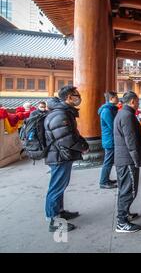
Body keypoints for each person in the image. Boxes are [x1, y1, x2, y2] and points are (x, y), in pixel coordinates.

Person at [44, 86, 89, 233]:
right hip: (59, 156)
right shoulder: (60, 115)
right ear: (69, 97)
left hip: (61, 155)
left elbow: (71, 134)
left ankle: (60, 211)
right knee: (56, 187)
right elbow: (66, 139)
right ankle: (54, 220)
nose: (78, 98)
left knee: (60, 186)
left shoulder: (63, 112)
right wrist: (82, 147)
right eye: (76, 95)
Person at [113, 91, 141, 233]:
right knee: (129, 190)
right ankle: (121, 222)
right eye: (137, 102)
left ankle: (124, 214)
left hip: (123, 157)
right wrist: (137, 159)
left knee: (124, 188)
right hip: (127, 159)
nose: (138, 105)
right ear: (132, 101)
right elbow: (131, 140)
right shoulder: (127, 116)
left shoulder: (122, 113)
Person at [98, 91, 119, 189]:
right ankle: (103, 181)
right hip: (110, 139)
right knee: (108, 161)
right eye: (116, 97)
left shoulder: (111, 109)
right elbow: (113, 125)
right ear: (111, 99)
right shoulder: (106, 110)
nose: (118, 99)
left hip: (111, 138)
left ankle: (106, 179)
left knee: (109, 161)